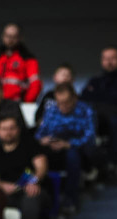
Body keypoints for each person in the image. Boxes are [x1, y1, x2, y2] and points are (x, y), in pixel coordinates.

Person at [36, 82, 98, 210]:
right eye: (59, 103)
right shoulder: (52, 110)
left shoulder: (86, 110)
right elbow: (40, 134)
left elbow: (89, 137)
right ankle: (43, 199)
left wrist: (68, 144)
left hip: (76, 146)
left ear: (74, 98)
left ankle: (70, 199)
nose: (63, 107)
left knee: (72, 156)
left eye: (66, 102)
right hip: (53, 145)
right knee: (36, 155)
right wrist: (44, 140)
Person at [0, 23, 41, 103]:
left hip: (19, 103)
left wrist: (26, 103)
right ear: (2, 37)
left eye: (14, 37)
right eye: (7, 36)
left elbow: (35, 85)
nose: (10, 40)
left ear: (20, 38)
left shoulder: (28, 59)